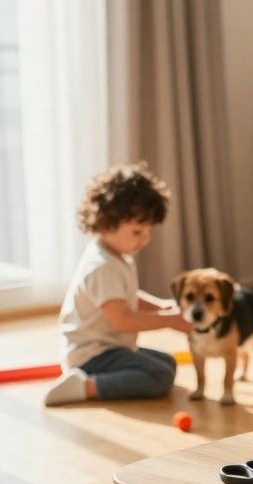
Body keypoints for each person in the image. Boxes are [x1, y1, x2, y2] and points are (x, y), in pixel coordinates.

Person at [44, 163, 192, 406]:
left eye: (148, 231)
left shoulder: (116, 256)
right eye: (137, 232)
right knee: (160, 376)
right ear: (105, 223)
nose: (145, 239)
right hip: (91, 355)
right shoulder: (103, 266)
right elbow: (123, 319)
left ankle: (91, 380)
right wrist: (170, 320)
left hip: (109, 348)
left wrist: (163, 306)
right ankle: (85, 385)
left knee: (168, 362)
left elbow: (129, 297)